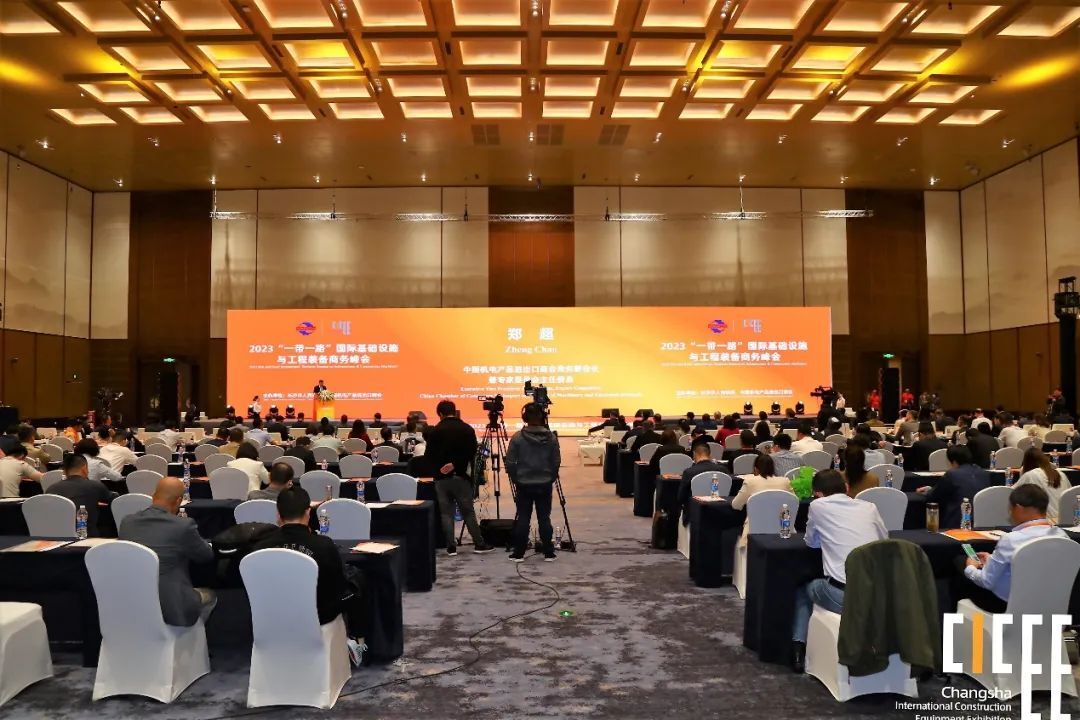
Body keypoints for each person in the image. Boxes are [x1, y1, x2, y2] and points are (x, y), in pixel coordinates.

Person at [251, 486, 366, 663]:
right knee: (357, 581)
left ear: (278, 515)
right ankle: (357, 640)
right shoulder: (324, 545)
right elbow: (337, 585)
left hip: (272, 614)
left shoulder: (260, 547)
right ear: (308, 512)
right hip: (320, 615)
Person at [790, 469, 888, 672]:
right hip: (881, 594)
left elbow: (811, 542)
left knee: (804, 588)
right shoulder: (870, 507)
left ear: (817, 494)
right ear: (847, 488)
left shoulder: (817, 506)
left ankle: (798, 649)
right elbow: (884, 539)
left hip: (844, 596)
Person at [120, 476, 216, 625]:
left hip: (132, 600)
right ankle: (189, 636)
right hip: (172, 607)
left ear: (153, 496)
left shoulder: (127, 522)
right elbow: (206, 555)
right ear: (178, 501)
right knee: (210, 595)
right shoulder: (183, 526)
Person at [959, 484, 1066, 613]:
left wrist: (970, 567)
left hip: (1007, 606)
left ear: (1019, 508)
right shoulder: (1062, 536)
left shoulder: (1011, 540)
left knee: (959, 565)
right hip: (1051, 605)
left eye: (1011, 509)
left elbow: (986, 581)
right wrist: (992, 560)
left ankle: (973, 625)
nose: (1010, 513)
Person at [425, 400, 494, 555]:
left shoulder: (435, 431)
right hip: (462, 477)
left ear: (440, 414)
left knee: (446, 513)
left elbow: (429, 456)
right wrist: (455, 464)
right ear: (454, 411)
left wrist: (439, 470)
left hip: (441, 479)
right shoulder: (466, 429)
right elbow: (473, 452)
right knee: (468, 512)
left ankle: (451, 547)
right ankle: (479, 544)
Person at [505, 402, 562, 562]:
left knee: (523, 518)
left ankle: (519, 553)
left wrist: (516, 478)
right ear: (542, 417)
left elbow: (510, 462)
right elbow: (556, 461)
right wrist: (551, 477)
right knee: (544, 518)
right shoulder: (551, 437)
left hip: (524, 484)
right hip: (544, 483)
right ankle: (549, 552)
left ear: (525, 417)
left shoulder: (517, 438)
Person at [916, 445, 992, 528]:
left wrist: (928, 491)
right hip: (982, 522)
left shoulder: (952, 474)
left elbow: (934, 496)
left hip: (957, 523)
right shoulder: (984, 473)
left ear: (954, 462)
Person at [46, 454, 118, 537]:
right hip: (86, 536)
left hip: (56, 536)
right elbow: (115, 502)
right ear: (84, 469)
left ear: (64, 471)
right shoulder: (95, 486)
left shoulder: (51, 489)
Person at [730, 455, 794, 544]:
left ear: (755, 469)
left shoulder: (750, 481)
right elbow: (794, 502)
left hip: (754, 530)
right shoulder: (785, 481)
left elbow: (736, 505)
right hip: (783, 528)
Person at [1013, 447, 1070, 522]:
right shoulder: (1061, 474)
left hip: (1047, 521)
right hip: (1066, 519)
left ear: (1026, 462)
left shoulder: (1030, 475)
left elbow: (1012, 492)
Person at [677, 442, 726, 521]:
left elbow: (681, 498)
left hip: (694, 515)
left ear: (694, 454)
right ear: (709, 455)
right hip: (719, 513)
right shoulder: (723, 470)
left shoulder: (689, 472)